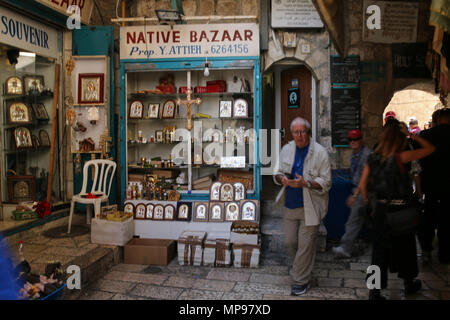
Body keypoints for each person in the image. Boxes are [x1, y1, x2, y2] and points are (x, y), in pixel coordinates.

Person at [357, 118, 435, 300]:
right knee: (406, 248)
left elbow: (362, 185)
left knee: (378, 252)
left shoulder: (372, 158)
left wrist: (370, 206)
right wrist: (411, 136)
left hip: (381, 210)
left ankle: (374, 291)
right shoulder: (401, 157)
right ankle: (409, 283)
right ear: (399, 139)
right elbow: (431, 149)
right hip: (402, 210)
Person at [273, 117, 331, 296]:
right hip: (290, 204)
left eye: (302, 131)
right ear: (291, 134)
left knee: (305, 245)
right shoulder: (286, 149)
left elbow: (327, 181)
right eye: (295, 132)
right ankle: (303, 270)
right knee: (290, 242)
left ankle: (300, 281)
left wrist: (306, 183)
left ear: (308, 132)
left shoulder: (320, 152)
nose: (299, 135)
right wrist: (282, 179)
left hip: (311, 206)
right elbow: (276, 173)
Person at [332, 129, 372, 258]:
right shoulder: (354, 155)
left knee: (353, 220)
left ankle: (346, 247)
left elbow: (365, 179)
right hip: (359, 189)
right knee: (365, 220)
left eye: (356, 139)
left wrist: (357, 196)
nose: (353, 142)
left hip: (365, 190)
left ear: (361, 140)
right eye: (351, 139)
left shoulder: (366, 155)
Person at [418, 108, 450, 264]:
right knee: (446, 218)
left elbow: (419, 160)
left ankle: (426, 249)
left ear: (436, 120)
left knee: (429, 216)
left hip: (430, 184)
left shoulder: (426, 135)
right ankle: (444, 253)